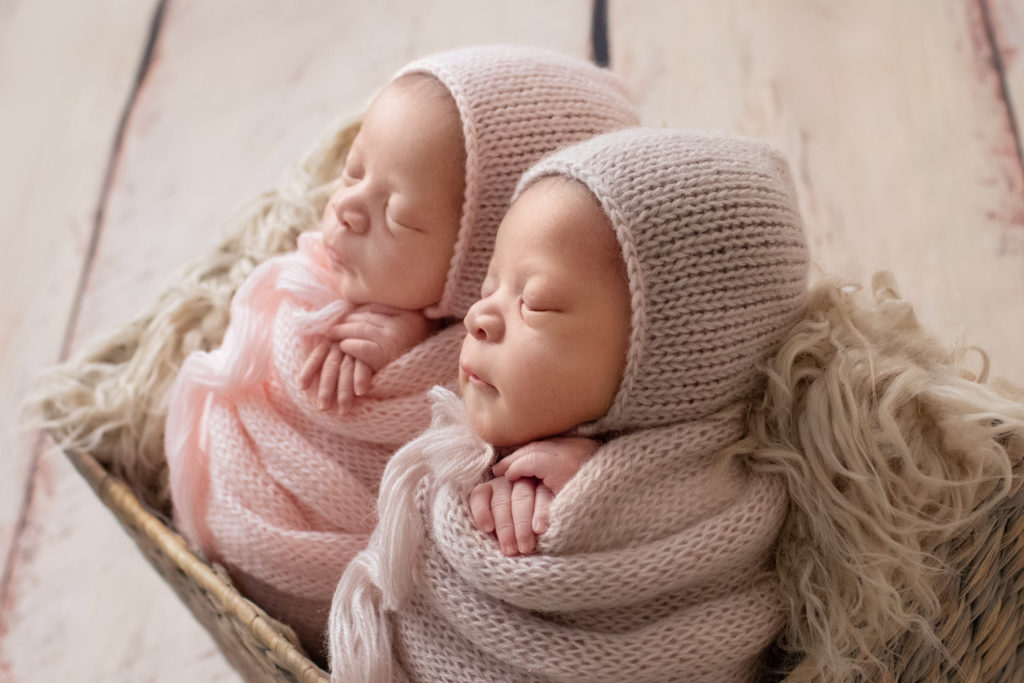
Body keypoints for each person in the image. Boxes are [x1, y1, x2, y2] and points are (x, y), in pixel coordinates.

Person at [163, 45, 640, 659]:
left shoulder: (524, 367)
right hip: (230, 530)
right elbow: (281, 320)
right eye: (354, 170)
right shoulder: (318, 285)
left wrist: (413, 343)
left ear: (480, 271)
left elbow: (491, 448)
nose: (348, 209)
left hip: (359, 606)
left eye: (395, 215)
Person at [330, 127, 811, 682]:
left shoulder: (717, 503)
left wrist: (609, 488)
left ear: (661, 366)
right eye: (489, 286)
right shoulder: (458, 457)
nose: (478, 318)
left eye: (533, 303)